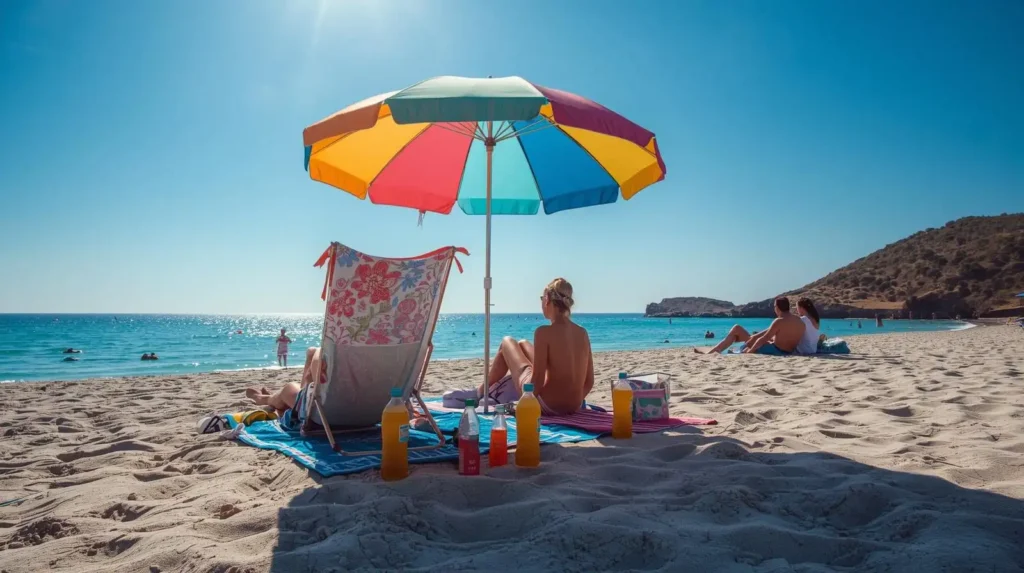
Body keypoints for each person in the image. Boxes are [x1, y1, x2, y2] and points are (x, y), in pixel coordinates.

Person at [477, 278, 594, 415]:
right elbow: (589, 381)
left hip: (547, 404)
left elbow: (536, 382)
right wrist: (574, 402)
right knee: (523, 344)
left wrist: (523, 405)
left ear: (547, 299)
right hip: (574, 405)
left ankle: (480, 392)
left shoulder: (543, 332)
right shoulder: (582, 333)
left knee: (507, 342)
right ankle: (489, 390)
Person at [695, 297, 805, 355]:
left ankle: (713, 352)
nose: (774, 308)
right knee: (745, 336)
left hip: (775, 351)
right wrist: (754, 338)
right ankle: (715, 350)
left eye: (774, 306)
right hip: (787, 351)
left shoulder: (779, 321)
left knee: (737, 328)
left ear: (778, 307)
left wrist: (750, 350)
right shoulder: (799, 321)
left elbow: (763, 339)